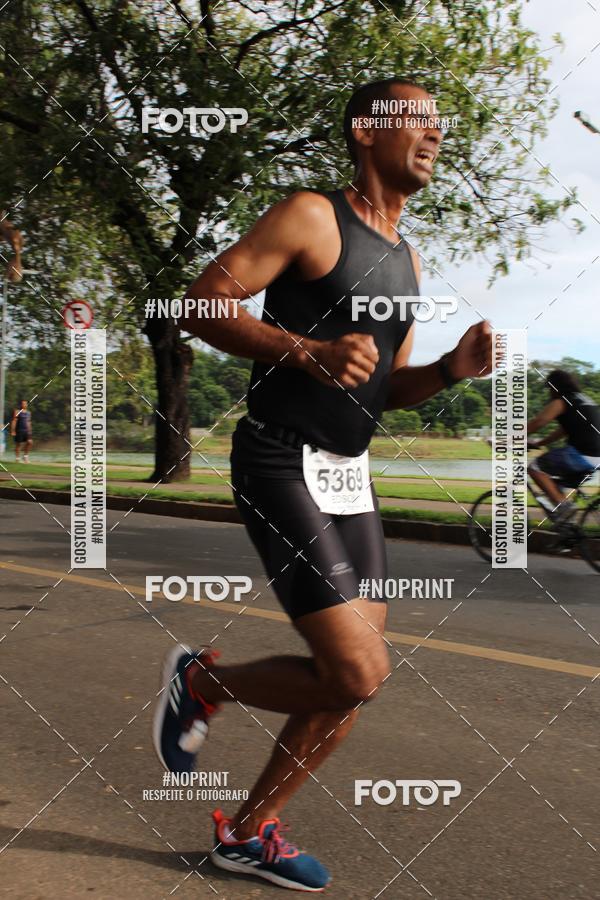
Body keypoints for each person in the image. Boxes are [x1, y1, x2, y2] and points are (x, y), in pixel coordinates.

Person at [153, 77, 493, 892]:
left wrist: (450, 370)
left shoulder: (407, 259)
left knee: (356, 678)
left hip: (349, 476)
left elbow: (387, 385)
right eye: (416, 119)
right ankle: (202, 681)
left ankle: (245, 833)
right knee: (355, 672)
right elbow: (201, 304)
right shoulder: (311, 215)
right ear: (365, 131)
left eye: (438, 125)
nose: (434, 134)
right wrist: (308, 350)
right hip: (279, 456)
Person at [527, 369, 600, 520]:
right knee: (553, 484)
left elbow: (539, 421)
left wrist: (508, 438)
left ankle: (564, 507)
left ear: (554, 387)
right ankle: (568, 529)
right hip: (596, 457)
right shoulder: (582, 399)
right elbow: (563, 430)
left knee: (534, 468)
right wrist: (540, 443)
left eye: (549, 388)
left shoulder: (561, 401)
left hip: (581, 454)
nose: (549, 392)